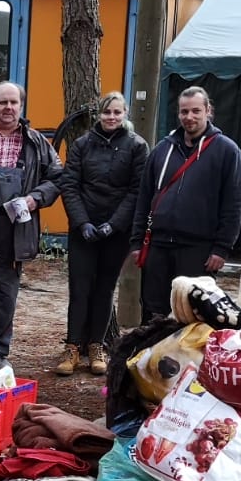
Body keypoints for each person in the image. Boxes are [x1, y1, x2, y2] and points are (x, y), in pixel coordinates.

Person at [0, 82, 62, 369]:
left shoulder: (36, 142)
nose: (8, 107)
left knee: (5, 292)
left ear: (21, 106)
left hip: (15, 227)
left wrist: (35, 198)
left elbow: (58, 178)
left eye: (13, 102)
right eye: (2, 102)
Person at [129, 86, 241, 322]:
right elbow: (144, 198)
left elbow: (234, 204)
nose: (189, 117)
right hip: (158, 246)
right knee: (154, 311)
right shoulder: (162, 149)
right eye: (184, 111)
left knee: (193, 314)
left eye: (195, 111)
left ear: (208, 111)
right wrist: (136, 241)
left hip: (199, 249)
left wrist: (222, 248)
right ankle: (152, 347)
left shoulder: (227, 151)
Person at [56, 91, 148, 376]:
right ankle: (73, 346)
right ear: (99, 114)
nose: (111, 117)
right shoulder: (82, 144)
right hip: (83, 228)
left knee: (105, 288)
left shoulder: (137, 146)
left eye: (117, 112)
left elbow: (137, 190)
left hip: (116, 231)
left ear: (125, 114)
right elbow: (69, 185)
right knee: (79, 288)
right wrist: (82, 222)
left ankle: (97, 346)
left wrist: (114, 224)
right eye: (107, 112)